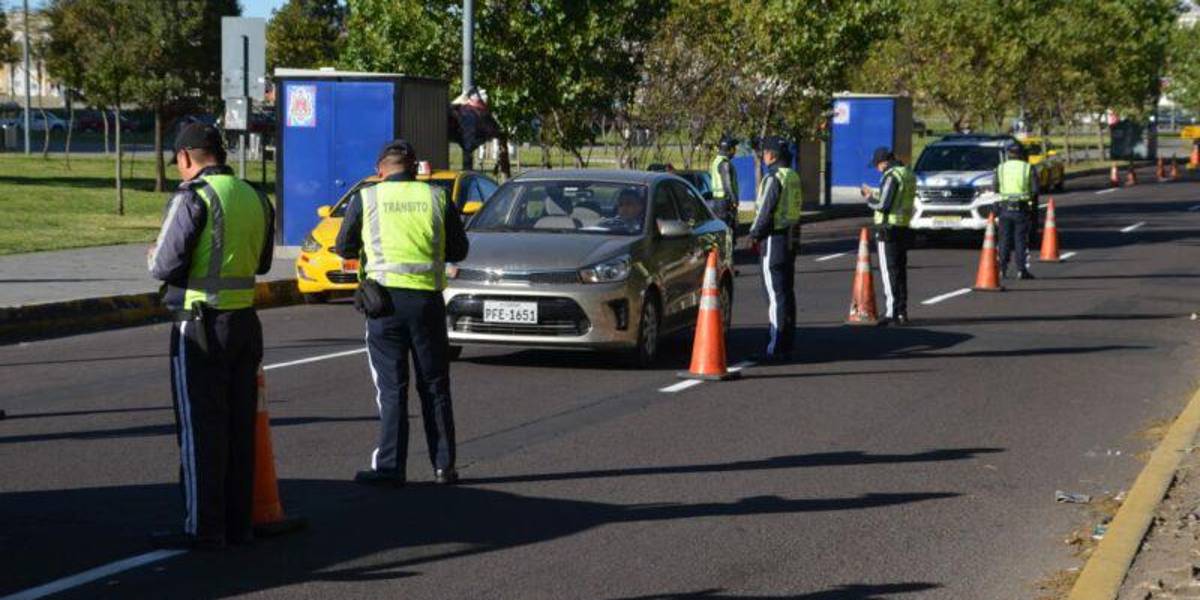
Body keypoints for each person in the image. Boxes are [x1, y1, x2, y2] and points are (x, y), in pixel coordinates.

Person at [147, 123, 275, 550]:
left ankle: (204, 528)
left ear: (186, 157)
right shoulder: (256, 196)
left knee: (201, 429)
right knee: (240, 427)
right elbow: (262, 263)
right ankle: (239, 525)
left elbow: (163, 265)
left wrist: (152, 254)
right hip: (245, 324)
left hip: (200, 324)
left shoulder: (192, 196)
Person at [336, 139, 469, 487]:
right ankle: (444, 466)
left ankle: (391, 468)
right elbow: (459, 249)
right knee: (435, 385)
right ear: (415, 169)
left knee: (392, 388)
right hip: (426, 302)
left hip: (384, 304)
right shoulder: (438, 196)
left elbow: (344, 246)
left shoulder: (367, 197)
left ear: (380, 170)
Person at [749, 137, 802, 363]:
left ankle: (775, 347)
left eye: (764, 153)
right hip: (790, 238)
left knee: (775, 296)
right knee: (786, 293)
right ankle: (786, 343)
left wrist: (753, 234)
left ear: (772, 155)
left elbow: (765, 211)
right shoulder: (792, 176)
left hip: (773, 240)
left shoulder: (774, 178)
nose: (762, 157)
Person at [860, 147, 917, 325]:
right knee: (900, 271)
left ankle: (892, 311)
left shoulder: (891, 175)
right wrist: (875, 192)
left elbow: (884, 205)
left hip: (887, 228)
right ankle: (902, 311)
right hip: (903, 226)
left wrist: (869, 199)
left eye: (877, 165)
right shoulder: (907, 174)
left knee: (889, 271)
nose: (878, 169)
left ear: (883, 162)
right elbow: (896, 197)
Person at [995, 144, 1039, 279]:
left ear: (1008, 154)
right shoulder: (1027, 168)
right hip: (1021, 208)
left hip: (1004, 207)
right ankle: (1021, 270)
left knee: (1004, 240)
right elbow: (1035, 189)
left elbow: (995, 187)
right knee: (1020, 240)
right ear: (1021, 155)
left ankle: (1002, 269)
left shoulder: (1000, 168)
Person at [710, 135, 740, 243]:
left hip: (718, 202)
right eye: (734, 148)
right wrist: (734, 201)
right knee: (728, 232)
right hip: (725, 203)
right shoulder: (724, 164)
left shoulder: (717, 161)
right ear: (729, 149)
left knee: (722, 232)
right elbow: (728, 185)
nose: (735, 151)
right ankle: (727, 258)